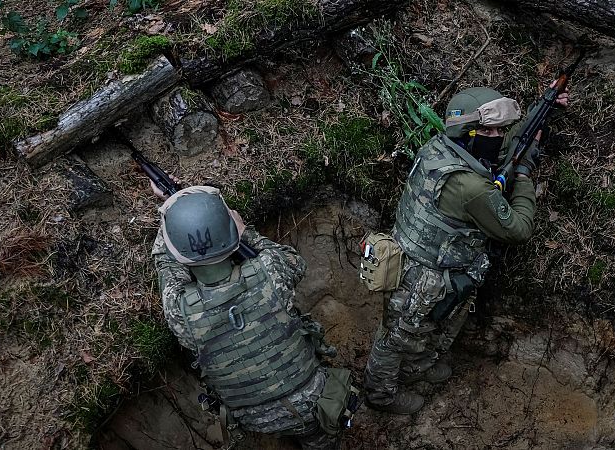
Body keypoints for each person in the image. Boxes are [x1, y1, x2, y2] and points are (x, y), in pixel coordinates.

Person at [363, 84, 569, 414]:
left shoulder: (441, 147)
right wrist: (526, 172)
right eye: (488, 130)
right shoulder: (470, 186)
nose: (498, 136)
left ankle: (420, 369)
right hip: (421, 276)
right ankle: (380, 395)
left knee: (434, 326)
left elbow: (507, 143)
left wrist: (542, 107)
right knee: (397, 338)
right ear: (468, 132)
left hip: (434, 265)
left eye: (499, 129)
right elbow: (518, 229)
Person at [150, 184, 347, 449]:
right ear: (232, 232)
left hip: (252, 419)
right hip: (311, 403)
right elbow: (295, 262)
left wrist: (172, 209)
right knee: (321, 437)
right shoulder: (270, 269)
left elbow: (166, 261)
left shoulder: (179, 311)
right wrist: (245, 232)